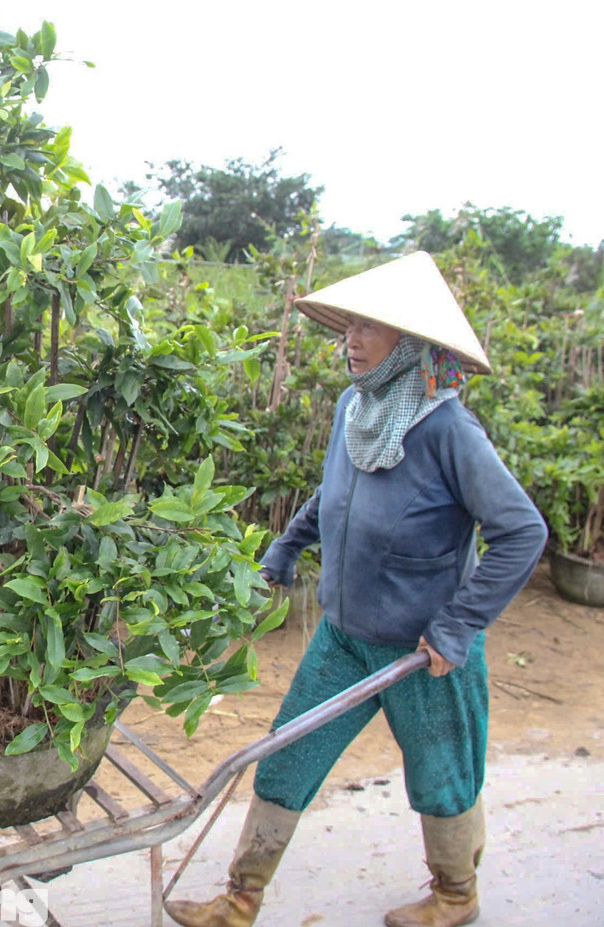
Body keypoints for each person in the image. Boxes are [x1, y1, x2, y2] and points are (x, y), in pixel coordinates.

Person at [164, 252, 548, 927]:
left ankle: (456, 894)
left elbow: (522, 531)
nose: (352, 339)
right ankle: (240, 897)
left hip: (424, 650)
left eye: (371, 327)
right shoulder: (356, 407)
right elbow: (334, 495)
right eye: (350, 326)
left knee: (442, 774)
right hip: (344, 638)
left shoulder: (449, 430)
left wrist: (457, 626)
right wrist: (285, 548)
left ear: (413, 344)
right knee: (287, 755)